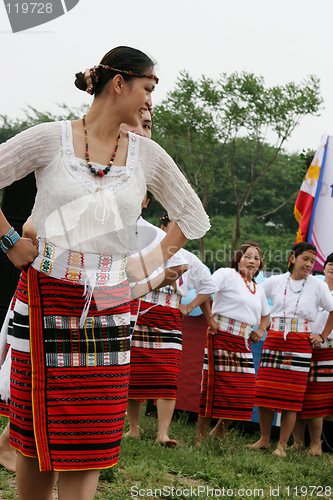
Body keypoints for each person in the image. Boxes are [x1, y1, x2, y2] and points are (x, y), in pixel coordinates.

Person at [0, 46, 210, 500]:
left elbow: (192, 217)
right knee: (37, 434)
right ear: (120, 83)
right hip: (46, 295)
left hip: (110, 309)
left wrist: (140, 268)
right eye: (148, 90)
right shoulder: (50, 138)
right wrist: (10, 242)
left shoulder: (146, 155)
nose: (150, 102)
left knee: (91, 434)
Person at [0, 110, 154, 474]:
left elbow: (132, 253)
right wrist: (12, 242)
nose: (141, 131)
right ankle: (15, 444)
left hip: (109, 298)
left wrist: (143, 278)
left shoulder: (142, 170)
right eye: (136, 122)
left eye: (148, 125)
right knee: (42, 387)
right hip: (52, 291)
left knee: (94, 405)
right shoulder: (71, 157)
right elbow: (34, 227)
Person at [125, 213, 215, 446]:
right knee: (135, 374)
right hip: (141, 312)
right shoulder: (144, 251)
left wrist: (190, 306)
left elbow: (208, 286)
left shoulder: (189, 258)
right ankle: (133, 429)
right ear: (162, 228)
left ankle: (162, 433)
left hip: (170, 317)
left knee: (168, 375)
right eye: (175, 228)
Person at [249, 242, 333, 457]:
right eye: (305, 259)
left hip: (300, 344)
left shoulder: (318, 285)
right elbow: (255, 296)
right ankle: (265, 440)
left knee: (292, 397)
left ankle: (282, 446)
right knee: (264, 391)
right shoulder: (275, 281)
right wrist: (262, 324)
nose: (309, 264)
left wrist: (322, 336)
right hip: (275, 339)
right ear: (293, 257)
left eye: (313, 262)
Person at [196, 242, 270, 442]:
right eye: (248, 256)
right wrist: (210, 319)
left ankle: (219, 429)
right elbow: (204, 290)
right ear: (238, 259)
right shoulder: (226, 274)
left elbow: (266, 315)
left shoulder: (258, 289)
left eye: (256, 258)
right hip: (220, 336)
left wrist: (261, 330)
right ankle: (200, 437)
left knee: (244, 390)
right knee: (214, 386)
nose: (252, 261)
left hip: (243, 341)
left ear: (260, 264)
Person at [292, 252, 333, 456]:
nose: (332, 267)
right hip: (301, 345)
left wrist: (322, 337)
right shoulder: (311, 284)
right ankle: (297, 443)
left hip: (327, 350)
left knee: (316, 398)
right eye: (330, 263)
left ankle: (315, 445)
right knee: (296, 395)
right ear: (323, 266)